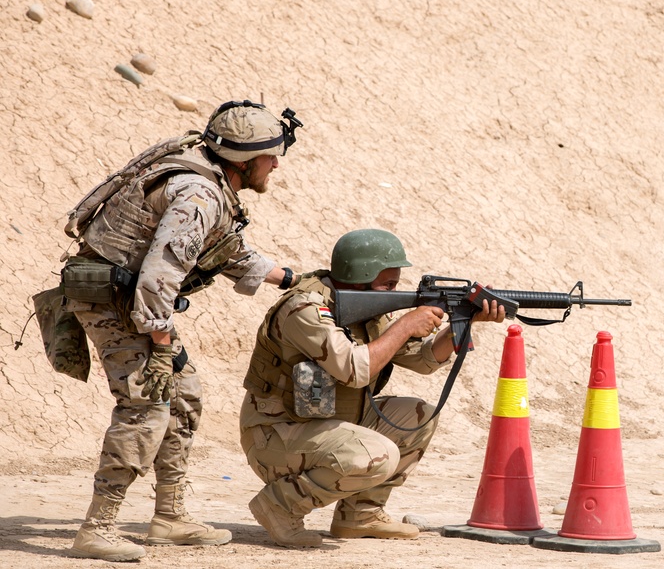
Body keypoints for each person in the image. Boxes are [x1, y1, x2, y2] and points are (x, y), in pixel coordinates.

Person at [64, 101, 305, 561]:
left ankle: (169, 516)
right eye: (270, 155)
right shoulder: (199, 196)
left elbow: (228, 252)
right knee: (146, 403)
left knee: (184, 392)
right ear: (242, 161)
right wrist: (160, 344)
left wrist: (295, 278)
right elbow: (158, 278)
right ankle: (97, 527)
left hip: (134, 301)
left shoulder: (211, 180)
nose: (276, 164)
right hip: (117, 304)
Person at [240, 228, 506, 548]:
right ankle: (279, 505)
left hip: (324, 425)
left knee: (417, 415)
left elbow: (422, 360)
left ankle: (360, 514)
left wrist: (465, 322)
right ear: (361, 276)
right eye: (389, 284)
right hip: (276, 434)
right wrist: (406, 324)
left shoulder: (364, 309)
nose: (395, 291)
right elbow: (355, 370)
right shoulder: (304, 309)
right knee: (378, 454)